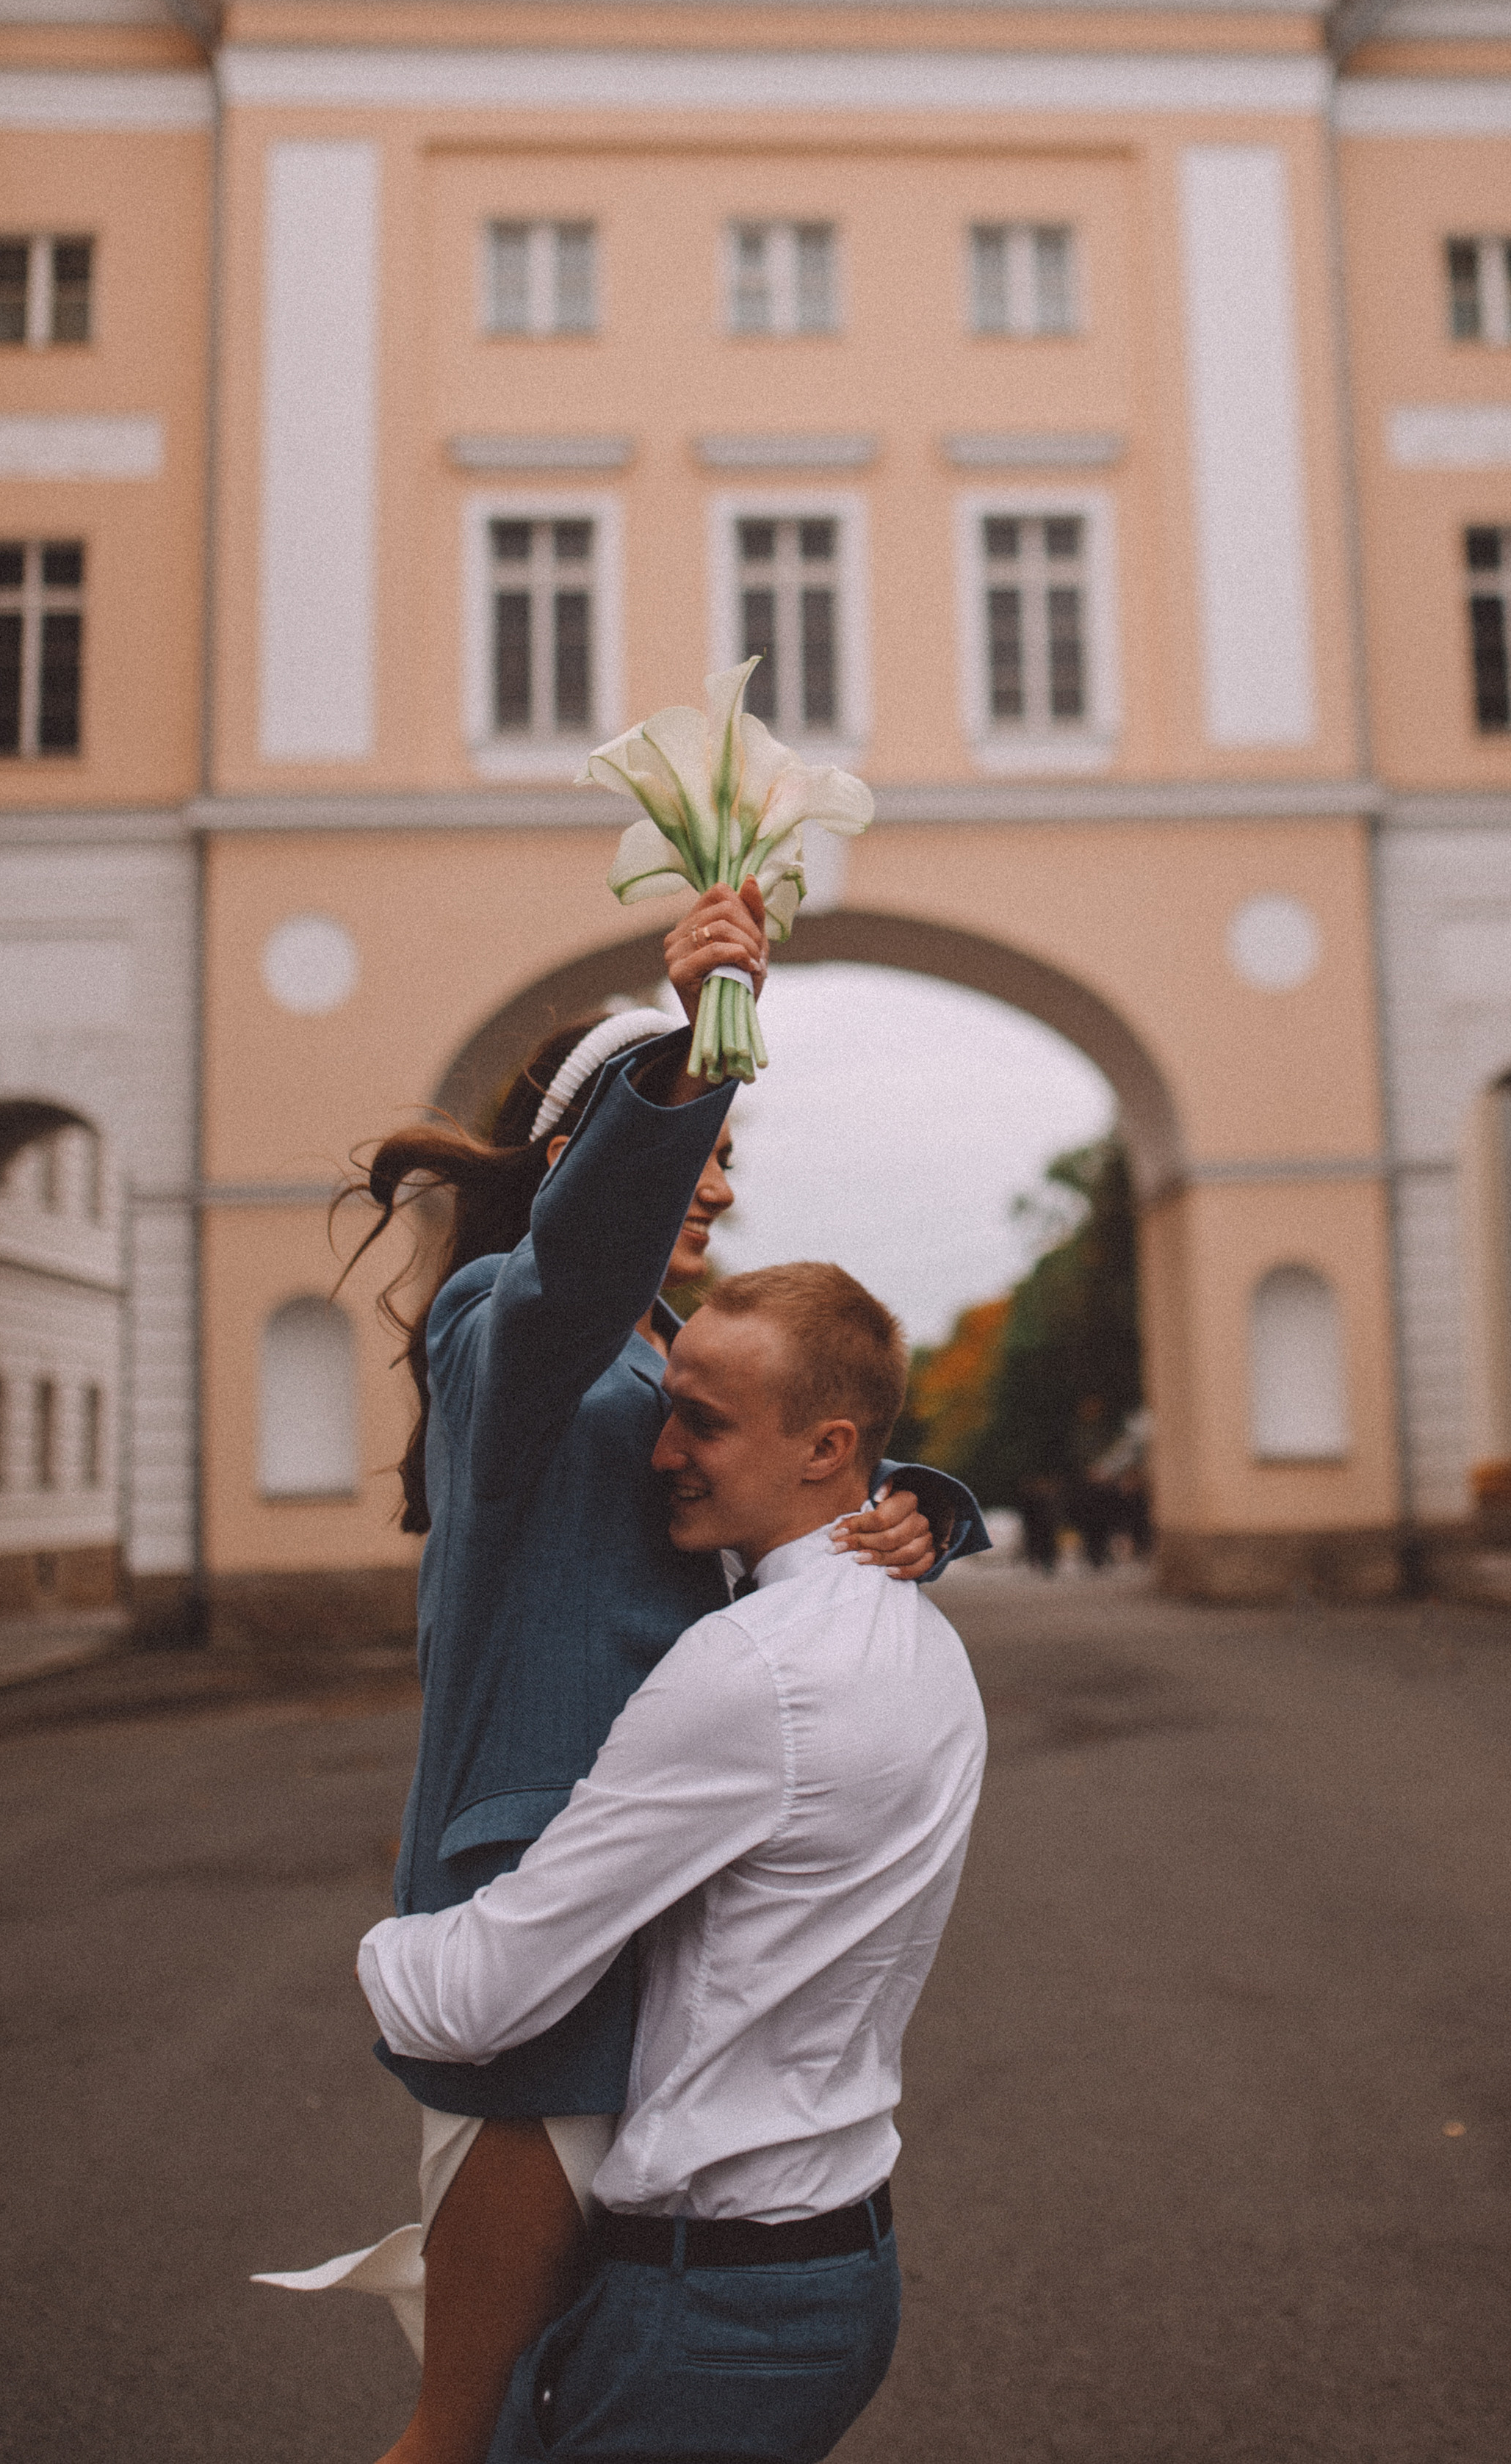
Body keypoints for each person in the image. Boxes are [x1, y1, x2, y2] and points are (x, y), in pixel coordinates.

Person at [256, 881, 988, 2464]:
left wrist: (915, 1504)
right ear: (587, 1149)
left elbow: (778, 1467)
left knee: (572, 2384)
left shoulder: (655, 1350)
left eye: (726, 1152)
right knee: (457, 2426)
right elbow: (571, 1277)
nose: (718, 1178)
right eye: (688, 1148)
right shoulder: (497, 1327)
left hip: (657, 1874)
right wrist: (689, 1053)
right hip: (544, 1900)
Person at [358, 1261, 989, 2464]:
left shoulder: (745, 1670)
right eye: (666, 1410)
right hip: (835, 2269)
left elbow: (480, 1994)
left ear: (829, 1448)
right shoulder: (927, 1641)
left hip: (717, 2302)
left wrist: (385, 1939)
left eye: (703, 1421)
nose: (659, 1453)